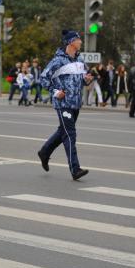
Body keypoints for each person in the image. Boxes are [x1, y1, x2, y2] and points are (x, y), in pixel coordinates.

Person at [38, 29, 93, 180]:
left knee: (63, 132)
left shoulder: (80, 60)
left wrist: (86, 80)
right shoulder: (57, 61)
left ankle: (44, 152)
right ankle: (75, 169)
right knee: (70, 134)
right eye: (78, 40)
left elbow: (80, 80)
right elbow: (43, 79)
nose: (81, 42)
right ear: (70, 42)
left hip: (75, 103)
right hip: (63, 103)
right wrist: (56, 92)